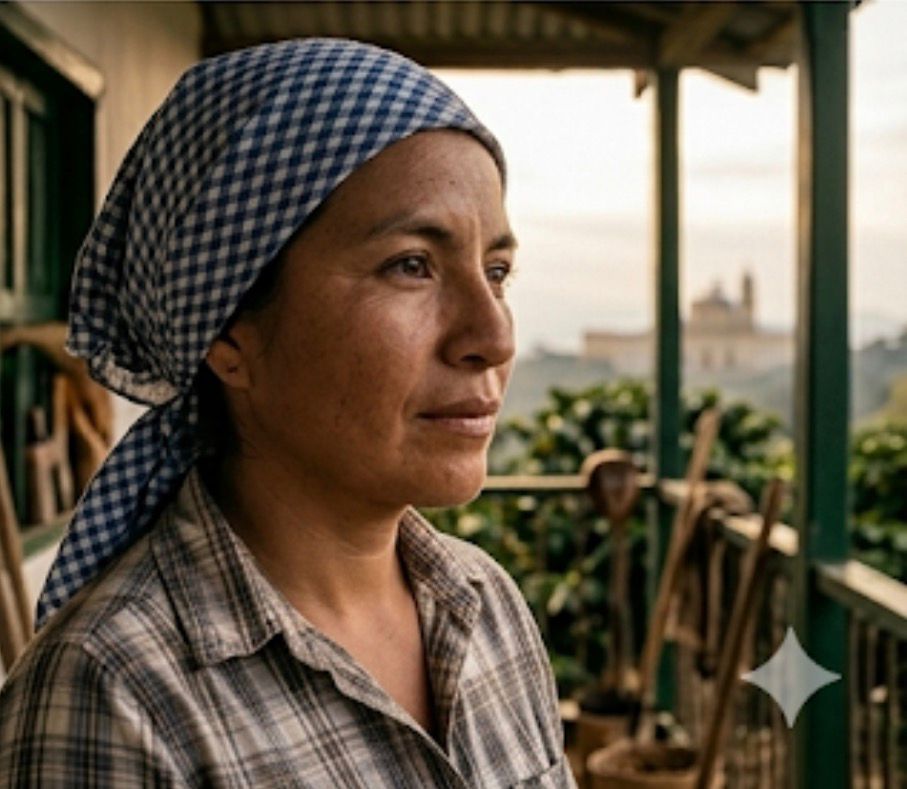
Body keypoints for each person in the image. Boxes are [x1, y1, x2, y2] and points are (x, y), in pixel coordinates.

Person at [0, 39, 575, 787]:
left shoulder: (484, 605)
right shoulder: (115, 692)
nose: (493, 337)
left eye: (496, 271)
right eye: (411, 265)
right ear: (229, 332)